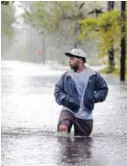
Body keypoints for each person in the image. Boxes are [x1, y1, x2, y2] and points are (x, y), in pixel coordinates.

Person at [54, 48, 108, 136]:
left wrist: (93, 98)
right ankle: (64, 149)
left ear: (80, 60)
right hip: (69, 109)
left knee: (83, 142)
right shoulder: (66, 76)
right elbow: (58, 90)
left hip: (86, 113)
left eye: (72, 59)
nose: (69, 61)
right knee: (63, 128)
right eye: (69, 59)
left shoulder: (93, 75)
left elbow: (103, 89)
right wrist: (66, 99)